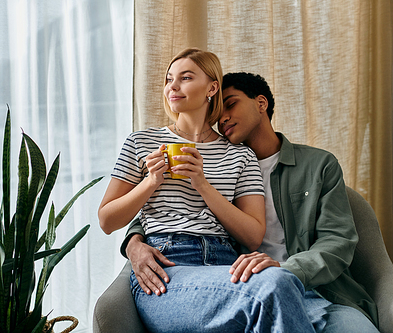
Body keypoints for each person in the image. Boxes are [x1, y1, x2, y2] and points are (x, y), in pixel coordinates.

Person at [121, 72, 379, 332]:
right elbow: (167, 209)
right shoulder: (217, 169)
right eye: (218, 113)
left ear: (261, 103)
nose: (223, 119)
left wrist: (287, 269)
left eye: (230, 104)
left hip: (321, 292)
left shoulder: (318, 165)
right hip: (245, 288)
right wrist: (133, 243)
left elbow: (338, 240)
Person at [98, 50, 267, 331]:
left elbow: (253, 236)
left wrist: (202, 184)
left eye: (185, 78)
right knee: (274, 287)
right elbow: (107, 220)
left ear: (212, 87)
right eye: (169, 79)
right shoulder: (142, 142)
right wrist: (151, 181)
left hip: (225, 262)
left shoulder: (241, 156)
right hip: (168, 265)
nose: (172, 87)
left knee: (278, 284)